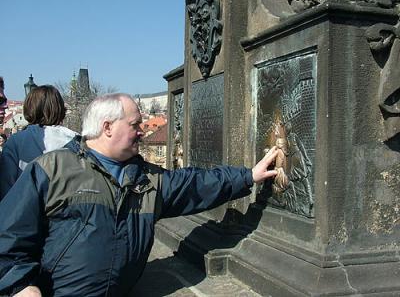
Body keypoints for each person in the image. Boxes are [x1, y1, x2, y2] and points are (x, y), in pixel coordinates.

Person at [0, 93, 278, 296]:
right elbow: (9, 236)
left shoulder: (148, 179)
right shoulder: (53, 169)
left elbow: (197, 183)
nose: (143, 131)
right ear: (107, 127)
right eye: (135, 125)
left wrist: (248, 176)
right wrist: (20, 286)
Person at [0, 85, 77, 199]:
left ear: (29, 108)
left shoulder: (16, 142)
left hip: (26, 209)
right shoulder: (77, 141)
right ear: (60, 108)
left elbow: (6, 190)